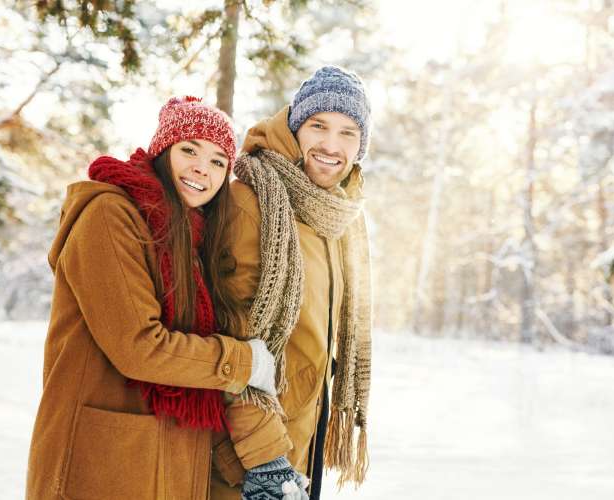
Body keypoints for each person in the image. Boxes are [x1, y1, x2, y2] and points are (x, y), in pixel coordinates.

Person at [26, 96, 279, 500]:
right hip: (98, 466)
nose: (202, 168)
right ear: (163, 151)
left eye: (218, 161)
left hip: (160, 465)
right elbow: (139, 347)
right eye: (189, 150)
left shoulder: (193, 238)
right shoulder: (110, 216)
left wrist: (255, 465)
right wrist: (243, 362)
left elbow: (193, 381)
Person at [210, 66, 373, 500]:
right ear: (295, 127)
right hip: (250, 459)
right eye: (319, 126)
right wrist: (265, 459)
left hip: (301, 442)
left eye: (348, 132)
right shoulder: (254, 200)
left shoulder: (335, 215)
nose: (331, 145)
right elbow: (233, 336)